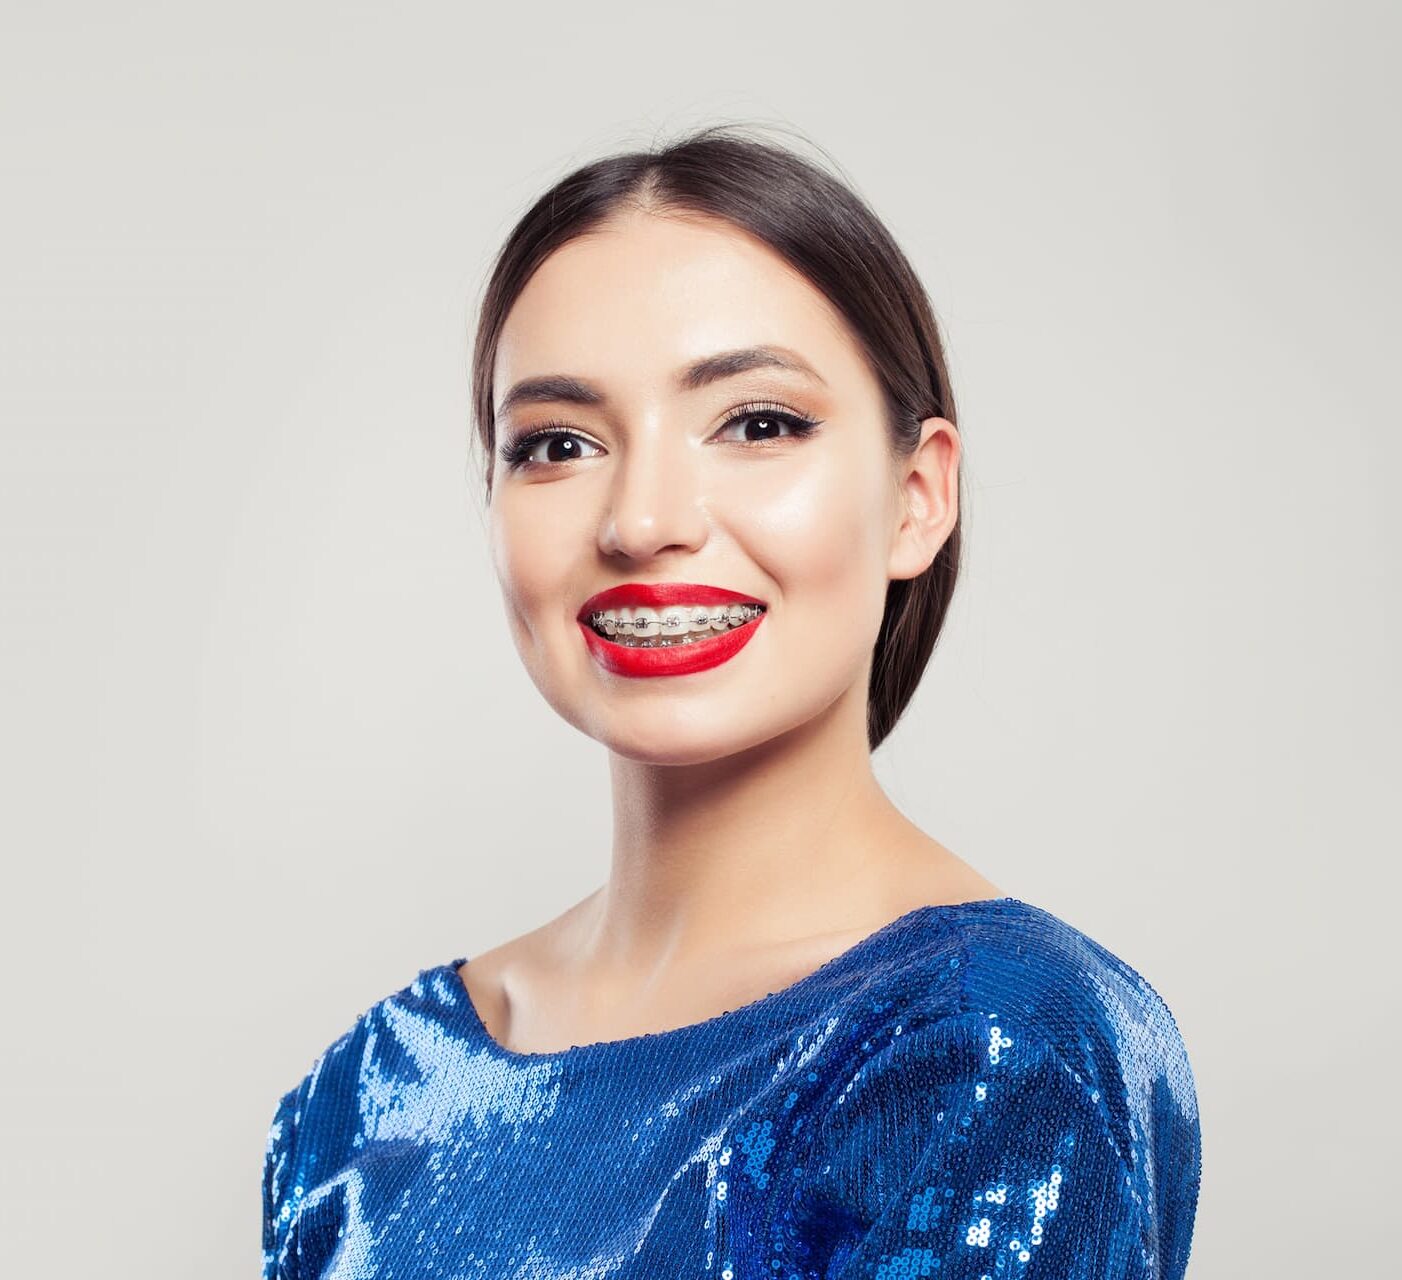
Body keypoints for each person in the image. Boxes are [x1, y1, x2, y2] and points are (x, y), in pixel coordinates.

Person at [261, 123, 1202, 1279]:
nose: (643, 517)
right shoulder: (363, 1096)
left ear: (916, 496)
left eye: (758, 423)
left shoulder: (995, 1043)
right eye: (557, 443)